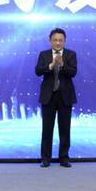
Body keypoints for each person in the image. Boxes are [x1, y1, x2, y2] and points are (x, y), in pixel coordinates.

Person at [35, 28, 77, 167]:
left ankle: (64, 158)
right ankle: (45, 159)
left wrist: (62, 64)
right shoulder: (44, 54)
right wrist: (51, 65)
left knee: (65, 129)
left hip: (65, 96)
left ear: (64, 41)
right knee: (47, 129)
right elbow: (38, 71)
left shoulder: (71, 54)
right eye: (55, 40)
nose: (58, 43)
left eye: (60, 40)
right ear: (50, 41)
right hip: (48, 96)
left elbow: (73, 72)